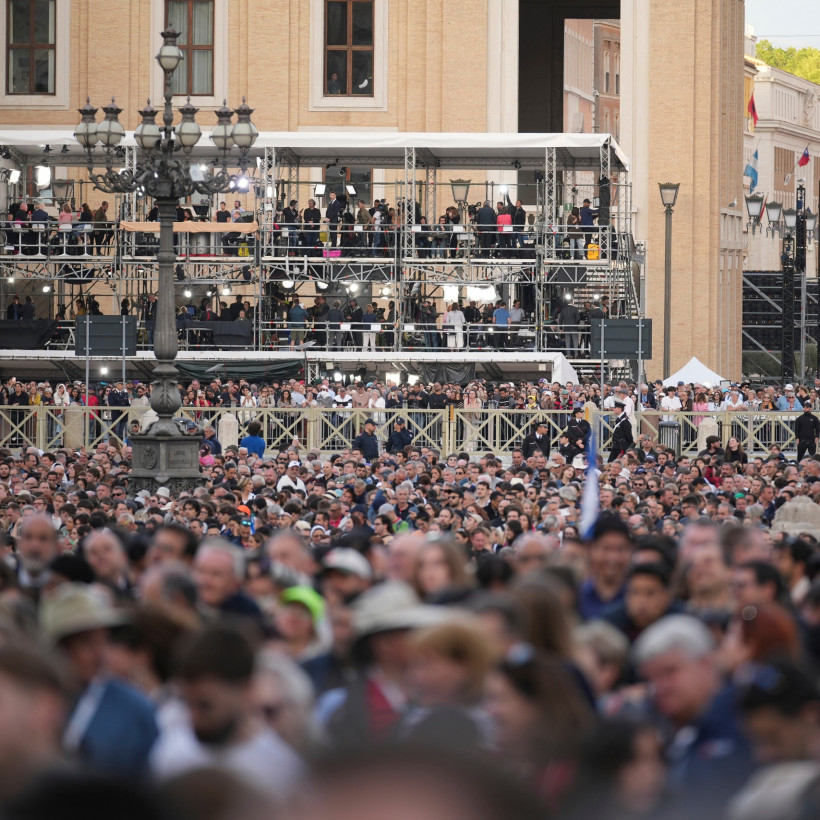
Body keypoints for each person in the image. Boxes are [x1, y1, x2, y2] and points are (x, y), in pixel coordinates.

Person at [151, 625, 303, 796]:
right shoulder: (170, 754)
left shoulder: (282, 772)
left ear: (246, 688)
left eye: (205, 706)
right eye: (186, 703)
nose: (193, 717)